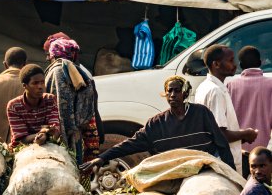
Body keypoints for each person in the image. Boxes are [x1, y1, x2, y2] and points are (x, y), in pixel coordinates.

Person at [80, 76, 235, 174]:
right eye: (169, 91)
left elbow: (221, 144)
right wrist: (101, 158)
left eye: (177, 91)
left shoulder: (201, 113)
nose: (173, 95)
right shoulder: (156, 124)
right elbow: (130, 144)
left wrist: (231, 172)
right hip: (173, 172)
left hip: (203, 170)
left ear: (185, 94)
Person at [194, 44, 258, 175]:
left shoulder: (205, 87)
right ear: (216, 64)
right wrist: (246, 134)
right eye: (230, 60)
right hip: (224, 163)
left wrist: (241, 138)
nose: (235, 64)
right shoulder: (215, 91)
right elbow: (220, 134)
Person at [45, 37, 99, 166]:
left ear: (54, 55)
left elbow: (60, 108)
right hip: (78, 133)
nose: (47, 58)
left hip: (61, 135)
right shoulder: (77, 71)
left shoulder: (57, 71)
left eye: (49, 55)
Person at [227, 46, 272, 154]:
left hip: (238, 148)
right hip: (265, 151)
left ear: (241, 65)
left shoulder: (231, 85)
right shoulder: (270, 84)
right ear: (260, 62)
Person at [6, 64, 61, 148]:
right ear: (25, 86)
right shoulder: (14, 106)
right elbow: (21, 139)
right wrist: (41, 134)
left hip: (49, 146)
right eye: (35, 83)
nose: (40, 87)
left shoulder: (50, 99)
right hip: (22, 149)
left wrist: (49, 132)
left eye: (42, 82)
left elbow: (55, 129)